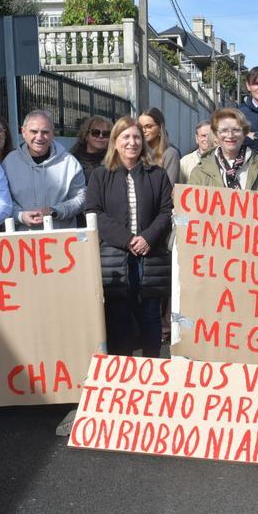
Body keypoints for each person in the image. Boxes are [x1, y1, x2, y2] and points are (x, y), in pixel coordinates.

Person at [85, 116, 173, 358]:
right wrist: (126, 239)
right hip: (115, 257)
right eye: (126, 137)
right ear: (115, 141)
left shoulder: (158, 175)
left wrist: (147, 238)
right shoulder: (100, 176)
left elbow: (166, 212)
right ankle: (123, 381)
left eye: (136, 137)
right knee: (118, 319)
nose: (132, 142)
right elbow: (94, 212)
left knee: (150, 318)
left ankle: (153, 374)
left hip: (150, 256)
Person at [3, 110, 86, 230]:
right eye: (34, 131)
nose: (39, 137)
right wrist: (21, 216)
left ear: (53, 134)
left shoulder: (69, 162)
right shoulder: (9, 162)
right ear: (24, 132)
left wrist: (54, 211)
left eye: (45, 132)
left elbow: (81, 198)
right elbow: (3, 200)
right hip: (23, 241)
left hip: (61, 239)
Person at [187, 108, 258, 191]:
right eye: (224, 130)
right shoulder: (201, 171)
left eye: (236, 130)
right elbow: (188, 204)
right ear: (216, 134)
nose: (230, 135)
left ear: (244, 133)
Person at [139, 107, 181, 184]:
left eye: (148, 126)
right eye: (140, 127)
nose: (143, 131)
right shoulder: (137, 151)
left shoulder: (170, 154)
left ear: (160, 128)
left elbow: (169, 187)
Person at [71, 116, 113, 183]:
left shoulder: (113, 161)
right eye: (96, 133)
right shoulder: (72, 161)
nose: (101, 136)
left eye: (106, 134)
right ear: (86, 136)